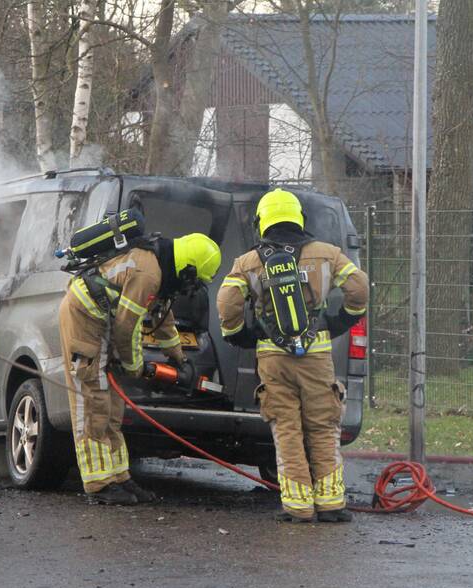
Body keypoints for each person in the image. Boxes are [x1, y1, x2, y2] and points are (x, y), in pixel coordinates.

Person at [217, 189, 368, 523]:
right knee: (323, 426)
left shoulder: (248, 262)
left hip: (273, 358)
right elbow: (359, 287)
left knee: (287, 429)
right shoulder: (327, 254)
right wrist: (339, 320)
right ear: (299, 217)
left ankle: (298, 506)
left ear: (262, 221)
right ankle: (331, 503)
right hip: (316, 356)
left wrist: (241, 333)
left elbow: (227, 303)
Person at [59, 229, 221, 504]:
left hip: (104, 319)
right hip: (84, 317)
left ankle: (119, 477)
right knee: (93, 400)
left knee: (114, 406)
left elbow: (163, 317)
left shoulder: (162, 270)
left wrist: (178, 357)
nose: (189, 289)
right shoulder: (148, 273)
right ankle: (99, 483)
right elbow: (127, 328)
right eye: (193, 282)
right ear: (188, 270)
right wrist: (135, 367)